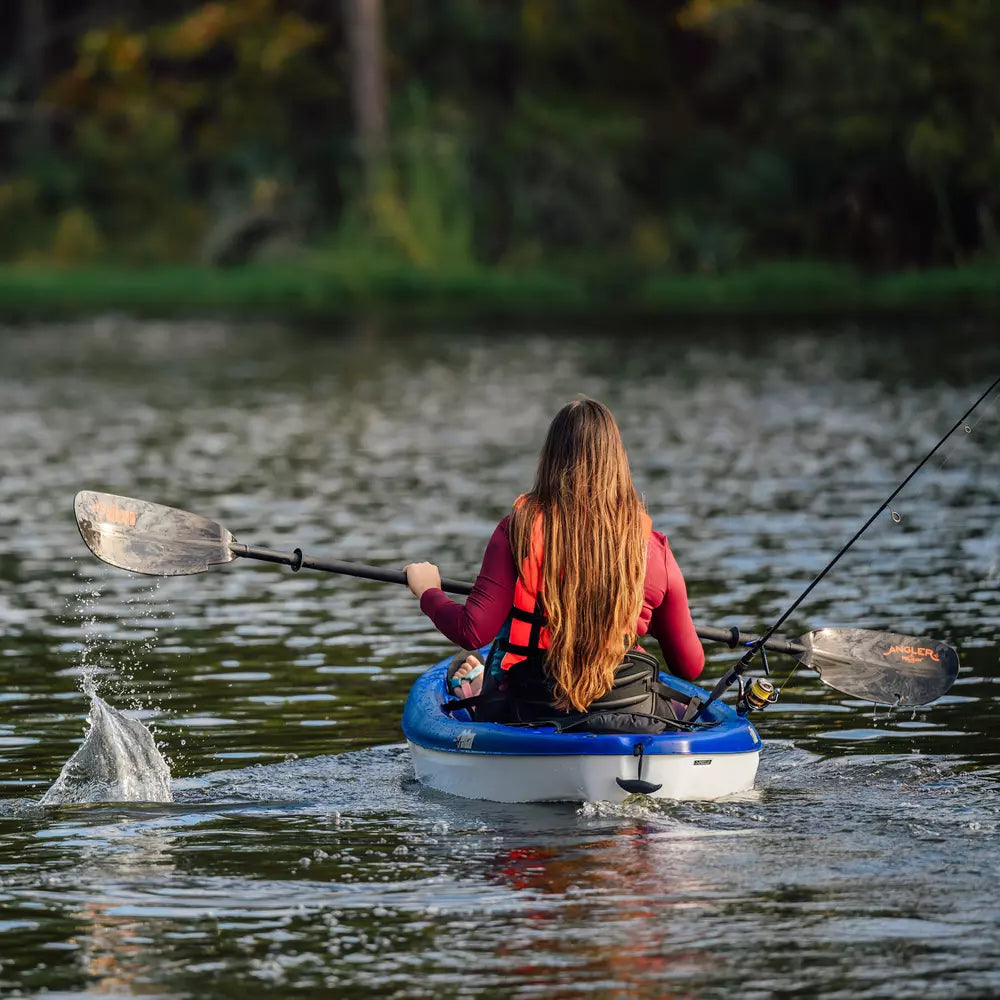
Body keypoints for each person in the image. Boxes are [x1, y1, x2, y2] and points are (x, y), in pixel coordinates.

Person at [404, 398, 704, 733]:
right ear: (618, 461)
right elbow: (689, 666)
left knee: (495, 666)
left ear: (550, 459)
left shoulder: (516, 531)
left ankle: (475, 685)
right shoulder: (654, 548)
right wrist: (656, 619)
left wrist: (428, 590)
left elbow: (473, 630)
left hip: (533, 707)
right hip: (627, 710)